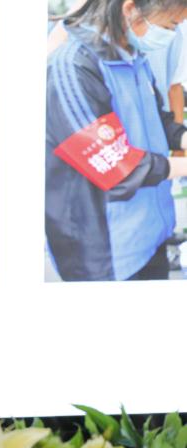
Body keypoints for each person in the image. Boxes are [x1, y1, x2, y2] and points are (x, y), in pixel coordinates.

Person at [46, 0, 187, 281]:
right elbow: (113, 165)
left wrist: (182, 137)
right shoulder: (73, 66)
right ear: (130, 8)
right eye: (170, 25)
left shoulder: (133, 57)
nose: (172, 35)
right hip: (106, 252)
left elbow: (155, 119)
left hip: (150, 234)